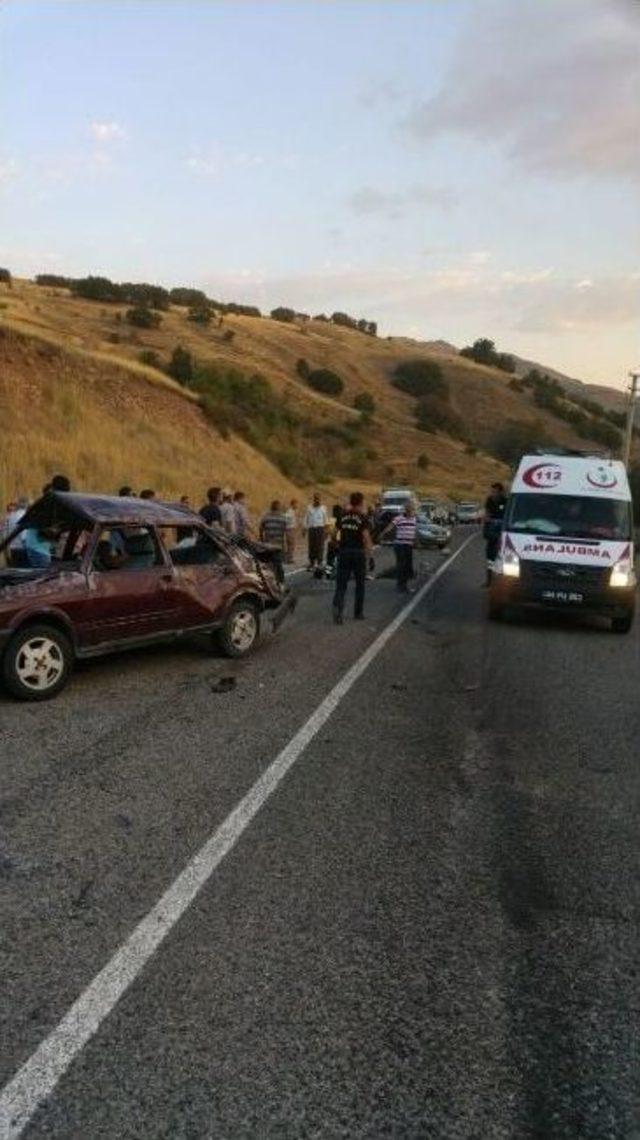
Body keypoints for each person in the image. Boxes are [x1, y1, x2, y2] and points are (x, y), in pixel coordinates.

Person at [332, 492, 372, 624]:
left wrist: (336, 544)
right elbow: (366, 538)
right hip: (358, 553)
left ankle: (338, 607)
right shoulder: (363, 517)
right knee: (360, 584)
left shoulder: (342, 516)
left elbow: (333, 533)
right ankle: (358, 613)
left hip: (344, 552)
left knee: (341, 584)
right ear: (360, 503)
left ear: (351, 501)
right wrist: (369, 557)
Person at [379, 502, 417, 593]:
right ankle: (401, 585)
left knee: (408, 565)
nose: (411, 512)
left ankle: (404, 584)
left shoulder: (414, 519)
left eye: (412, 510)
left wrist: (416, 541)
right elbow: (390, 526)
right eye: (410, 510)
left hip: (409, 545)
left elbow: (413, 531)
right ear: (406, 510)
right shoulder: (399, 518)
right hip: (400, 545)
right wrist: (382, 534)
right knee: (402, 565)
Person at [483, 481, 507, 584]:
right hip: (491, 532)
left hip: (501, 532)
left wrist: (497, 521)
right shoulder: (489, 500)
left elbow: (507, 517)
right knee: (490, 557)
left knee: (501, 557)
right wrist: (488, 519)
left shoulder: (505, 501)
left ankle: (501, 581)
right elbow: (487, 514)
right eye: (492, 491)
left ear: (501, 492)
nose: (493, 493)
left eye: (495, 492)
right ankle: (489, 580)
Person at [259, 499, 288, 584]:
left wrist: (262, 540)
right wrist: (286, 544)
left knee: (268, 563)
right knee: (278, 564)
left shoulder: (266, 516)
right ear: (279, 508)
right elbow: (286, 532)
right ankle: (280, 582)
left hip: (267, 544)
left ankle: (269, 582)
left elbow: (261, 528)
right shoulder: (283, 517)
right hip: (278, 544)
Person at [304, 493, 328, 571]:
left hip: (320, 529)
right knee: (311, 546)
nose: (317, 500)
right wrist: (304, 528)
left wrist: (326, 531)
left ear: (320, 499)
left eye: (318, 499)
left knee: (320, 546)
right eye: (316, 498)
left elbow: (325, 520)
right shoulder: (309, 508)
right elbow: (306, 518)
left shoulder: (323, 508)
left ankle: (320, 563)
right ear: (314, 499)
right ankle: (312, 563)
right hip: (312, 529)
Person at [284, 498, 299, 564]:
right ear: (293, 504)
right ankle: (289, 559)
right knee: (291, 544)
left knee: (292, 544)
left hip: (292, 529)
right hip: (290, 529)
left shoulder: (293, 511)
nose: (297, 505)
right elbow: (285, 519)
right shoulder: (289, 512)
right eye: (296, 504)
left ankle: (289, 557)